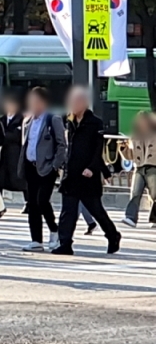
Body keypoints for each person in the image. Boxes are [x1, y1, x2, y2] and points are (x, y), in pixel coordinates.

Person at [53, 87, 122, 256]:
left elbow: (97, 150)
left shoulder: (95, 123)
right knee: (67, 212)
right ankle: (65, 243)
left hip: (87, 175)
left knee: (96, 210)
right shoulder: (68, 121)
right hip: (71, 174)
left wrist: (94, 169)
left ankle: (113, 235)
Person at [17, 87, 66, 251]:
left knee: (42, 200)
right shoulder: (28, 120)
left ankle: (54, 230)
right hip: (30, 166)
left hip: (47, 167)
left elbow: (61, 144)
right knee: (32, 203)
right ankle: (36, 240)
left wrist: (55, 165)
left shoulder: (53, 119)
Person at [122, 111, 156, 227]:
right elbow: (131, 156)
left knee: (154, 194)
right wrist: (123, 149)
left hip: (153, 166)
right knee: (135, 193)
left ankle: (154, 219)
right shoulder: (135, 136)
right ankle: (131, 217)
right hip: (139, 167)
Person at [0, 93, 27, 205]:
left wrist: (4, 136)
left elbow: (17, 136)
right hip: (2, 153)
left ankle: (28, 202)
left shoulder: (22, 118)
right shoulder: (1, 119)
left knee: (20, 179)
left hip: (16, 153)